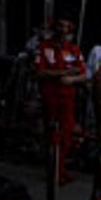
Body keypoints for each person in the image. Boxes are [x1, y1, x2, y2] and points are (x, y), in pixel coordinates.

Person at [33, 16, 88, 184]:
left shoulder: (74, 50)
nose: (63, 30)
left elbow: (84, 74)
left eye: (66, 27)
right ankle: (55, 173)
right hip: (50, 98)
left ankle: (59, 170)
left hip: (68, 99)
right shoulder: (43, 47)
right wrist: (64, 73)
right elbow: (39, 73)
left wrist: (72, 79)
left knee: (68, 135)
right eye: (60, 26)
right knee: (52, 136)